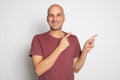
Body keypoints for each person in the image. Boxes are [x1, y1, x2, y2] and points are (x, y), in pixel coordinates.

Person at [29, 4, 97, 80]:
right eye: (51, 15)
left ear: (64, 18)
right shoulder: (38, 39)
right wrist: (59, 48)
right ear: (47, 18)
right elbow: (38, 70)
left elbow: (76, 69)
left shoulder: (73, 39)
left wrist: (85, 51)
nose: (55, 19)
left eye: (58, 15)